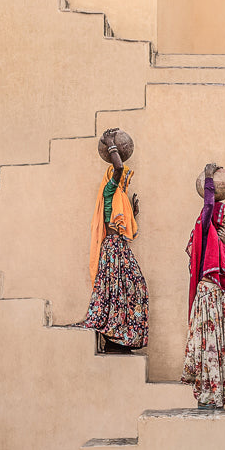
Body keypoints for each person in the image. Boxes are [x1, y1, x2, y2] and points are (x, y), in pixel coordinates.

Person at [181, 162, 225, 409]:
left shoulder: (223, 245)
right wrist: (209, 176)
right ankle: (209, 397)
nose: (224, 221)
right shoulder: (204, 232)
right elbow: (209, 204)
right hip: (209, 295)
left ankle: (220, 391)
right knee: (209, 345)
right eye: (222, 219)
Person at [83, 128, 148, 352]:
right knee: (118, 292)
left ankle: (121, 339)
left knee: (132, 289)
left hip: (119, 246)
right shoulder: (110, 190)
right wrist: (111, 144)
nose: (122, 179)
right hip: (112, 248)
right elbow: (119, 167)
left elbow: (119, 221)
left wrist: (133, 213)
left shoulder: (118, 195)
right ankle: (114, 339)